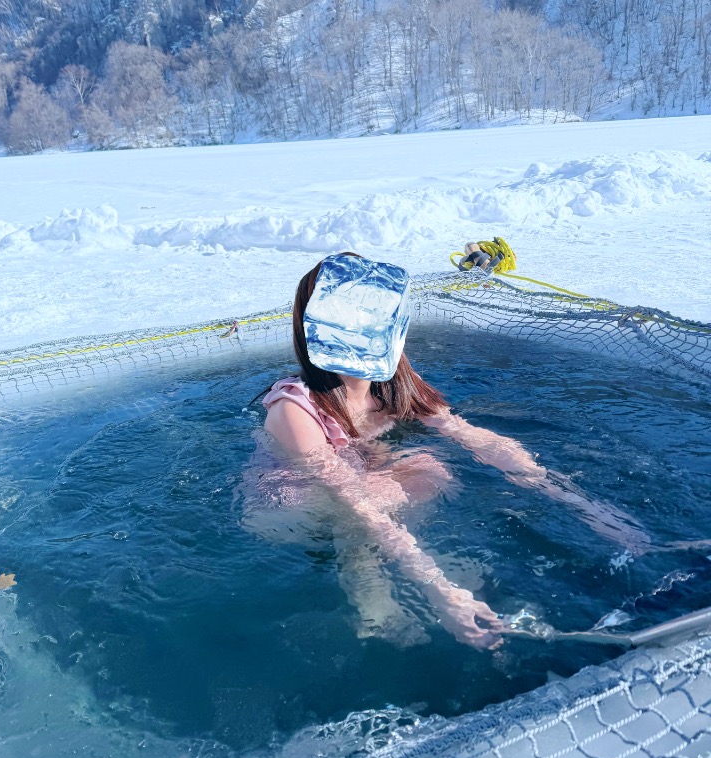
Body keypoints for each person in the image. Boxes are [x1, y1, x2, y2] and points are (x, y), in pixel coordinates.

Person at [255, 253, 657, 650]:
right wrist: (439, 591)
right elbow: (352, 498)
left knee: (428, 468)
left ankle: (391, 563)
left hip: (365, 484)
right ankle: (367, 584)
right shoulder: (295, 408)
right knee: (381, 492)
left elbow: (476, 438)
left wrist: (580, 504)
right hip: (293, 502)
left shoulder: (392, 384)